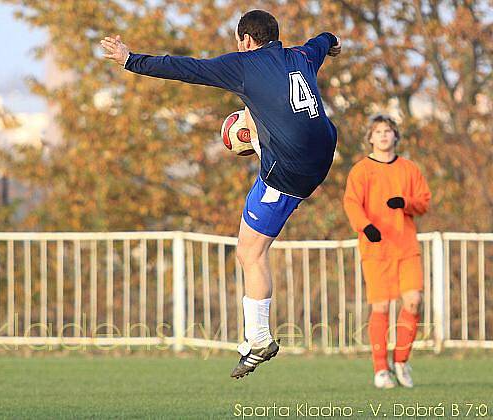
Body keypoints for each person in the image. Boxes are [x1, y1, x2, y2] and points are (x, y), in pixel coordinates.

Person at [101, 10, 341, 378]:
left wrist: (131, 60)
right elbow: (325, 37)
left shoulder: (243, 64)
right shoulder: (303, 55)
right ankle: (257, 133)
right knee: (257, 111)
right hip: (325, 149)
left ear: (245, 40)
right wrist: (333, 43)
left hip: (292, 171)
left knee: (250, 251)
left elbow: (186, 68)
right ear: (275, 36)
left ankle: (258, 338)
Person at [343, 114, 431, 389]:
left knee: (414, 301)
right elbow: (351, 203)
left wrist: (405, 202)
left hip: (405, 246)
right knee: (380, 306)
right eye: (378, 131)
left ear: (396, 136)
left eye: (388, 131)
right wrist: (365, 226)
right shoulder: (361, 170)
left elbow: (424, 202)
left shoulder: (409, 169)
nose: (383, 135)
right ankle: (380, 369)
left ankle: (401, 362)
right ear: (370, 137)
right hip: (376, 248)